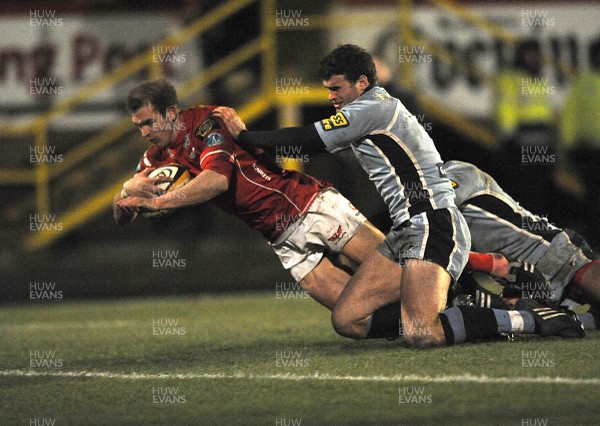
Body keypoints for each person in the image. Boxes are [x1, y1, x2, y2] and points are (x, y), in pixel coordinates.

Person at [214, 44, 584, 346]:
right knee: (348, 319)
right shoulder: (368, 111)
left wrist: (245, 137)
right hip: (407, 228)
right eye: (327, 89)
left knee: (422, 334)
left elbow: (307, 140)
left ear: (362, 82)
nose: (330, 97)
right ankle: (463, 308)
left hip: (433, 221)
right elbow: (311, 146)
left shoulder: (373, 107)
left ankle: (529, 318)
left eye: (336, 88)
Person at [444, 160, 600, 330]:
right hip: (519, 282)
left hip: (553, 251)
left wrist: (489, 264)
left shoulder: (455, 172)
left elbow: (437, 211)